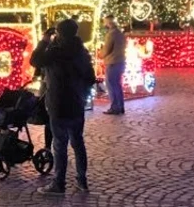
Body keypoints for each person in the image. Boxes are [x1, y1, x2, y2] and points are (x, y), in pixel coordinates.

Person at [31, 19, 97, 195]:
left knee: (59, 144)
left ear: (59, 33)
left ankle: (59, 183)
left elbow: (35, 60)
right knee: (78, 142)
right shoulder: (82, 52)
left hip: (58, 103)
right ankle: (82, 181)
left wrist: (45, 41)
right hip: (77, 102)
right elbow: (91, 78)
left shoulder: (55, 51)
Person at [100, 14, 127, 115]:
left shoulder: (111, 34)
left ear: (109, 22)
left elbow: (106, 50)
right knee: (117, 84)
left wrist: (100, 53)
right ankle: (120, 106)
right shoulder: (120, 33)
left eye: (105, 21)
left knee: (111, 85)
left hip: (112, 62)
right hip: (120, 61)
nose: (104, 23)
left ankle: (115, 107)